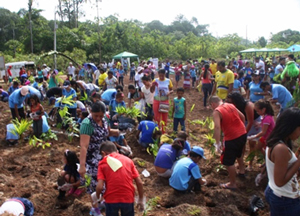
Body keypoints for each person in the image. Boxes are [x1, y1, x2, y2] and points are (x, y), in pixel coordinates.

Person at [79, 102, 119, 213]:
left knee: (106, 181)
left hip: (104, 156)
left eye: (100, 116)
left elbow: (107, 132)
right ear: (91, 112)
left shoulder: (105, 120)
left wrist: (117, 132)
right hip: (92, 159)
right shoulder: (87, 124)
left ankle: (102, 202)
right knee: (94, 185)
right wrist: (82, 166)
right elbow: (84, 146)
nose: (98, 118)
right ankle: (95, 208)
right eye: (95, 115)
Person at [264, 108, 300, 215]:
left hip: (275, 192)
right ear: (292, 127)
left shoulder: (275, 141)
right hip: (285, 199)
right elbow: (280, 181)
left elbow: (285, 166)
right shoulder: (281, 148)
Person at [94, 141, 144, 216]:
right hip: (128, 198)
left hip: (111, 199)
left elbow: (100, 186)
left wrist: (98, 198)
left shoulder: (102, 163)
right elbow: (139, 182)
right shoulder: (128, 161)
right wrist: (140, 199)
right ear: (117, 151)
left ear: (103, 153)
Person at [209, 96, 247, 190]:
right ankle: (242, 171)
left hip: (232, 138)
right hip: (242, 134)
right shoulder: (230, 105)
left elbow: (217, 127)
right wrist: (239, 128)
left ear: (213, 104)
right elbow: (242, 116)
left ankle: (232, 183)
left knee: (228, 161)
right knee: (239, 154)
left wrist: (217, 143)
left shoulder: (217, 111)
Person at [226, 92, 262, 171]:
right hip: (244, 121)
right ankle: (241, 163)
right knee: (241, 145)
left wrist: (244, 134)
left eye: (231, 102)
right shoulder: (234, 106)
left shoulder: (248, 105)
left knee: (252, 144)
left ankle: (250, 164)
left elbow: (250, 121)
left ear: (236, 101)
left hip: (254, 122)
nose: (229, 103)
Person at [151, 69, 173, 133]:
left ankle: (163, 131)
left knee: (164, 117)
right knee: (157, 117)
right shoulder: (155, 80)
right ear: (158, 74)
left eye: (162, 75)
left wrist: (169, 92)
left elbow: (172, 90)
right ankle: (157, 130)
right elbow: (151, 91)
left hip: (165, 100)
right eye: (160, 75)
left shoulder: (168, 81)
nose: (161, 77)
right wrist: (152, 86)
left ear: (164, 74)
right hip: (157, 100)